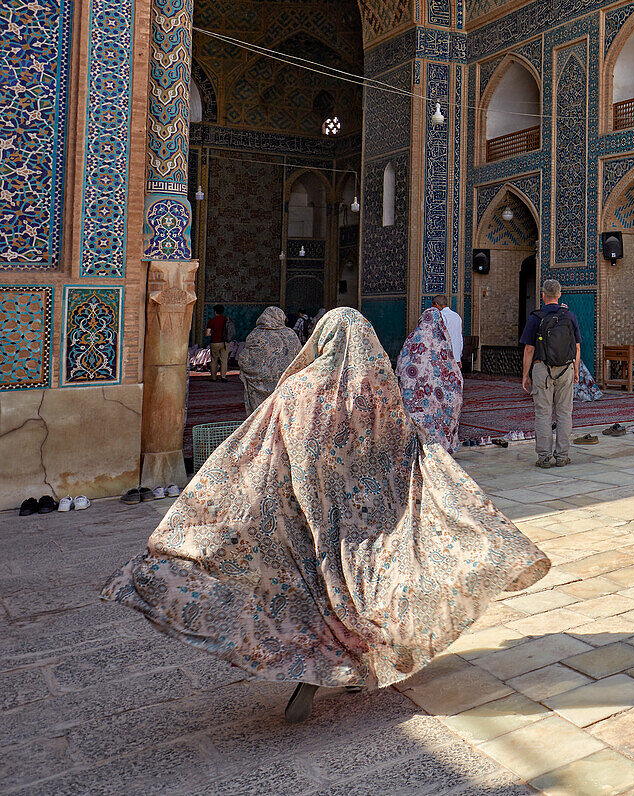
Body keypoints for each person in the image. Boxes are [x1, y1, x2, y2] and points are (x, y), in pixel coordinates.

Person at [101, 309, 549, 724]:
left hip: (306, 527)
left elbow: (255, 450)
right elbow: (412, 452)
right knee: (367, 596)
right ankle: (351, 663)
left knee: (308, 593)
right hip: (369, 530)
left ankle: (321, 667)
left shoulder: (297, 391)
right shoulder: (379, 392)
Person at [521, 279, 581, 469]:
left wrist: (525, 375)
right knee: (564, 413)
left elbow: (529, 349)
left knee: (543, 413)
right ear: (559, 295)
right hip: (566, 369)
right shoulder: (569, 316)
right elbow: (577, 347)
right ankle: (562, 456)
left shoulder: (535, 318)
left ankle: (544, 457)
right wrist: (576, 370)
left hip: (542, 369)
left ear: (543, 295)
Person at [397, 305, 463, 452]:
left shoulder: (412, 341)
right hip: (435, 399)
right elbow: (452, 372)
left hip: (416, 398)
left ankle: (417, 446)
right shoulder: (443, 344)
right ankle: (439, 447)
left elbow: (401, 365)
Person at [236, 306, 301, 415]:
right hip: (286, 385)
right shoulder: (291, 335)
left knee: (261, 416)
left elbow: (245, 360)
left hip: (260, 386)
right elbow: (300, 358)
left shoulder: (256, 335)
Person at [432, 294, 464, 367]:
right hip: (455, 352)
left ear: (436, 305)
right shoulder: (457, 316)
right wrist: (458, 356)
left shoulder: (441, 316)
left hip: (444, 353)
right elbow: (459, 337)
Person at [206, 304, 234, 381]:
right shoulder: (226, 319)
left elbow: (208, 333)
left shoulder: (211, 321)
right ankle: (223, 376)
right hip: (225, 342)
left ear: (215, 312)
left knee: (214, 360)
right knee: (224, 360)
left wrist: (214, 334)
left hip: (214, 342)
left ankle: (213, 377)